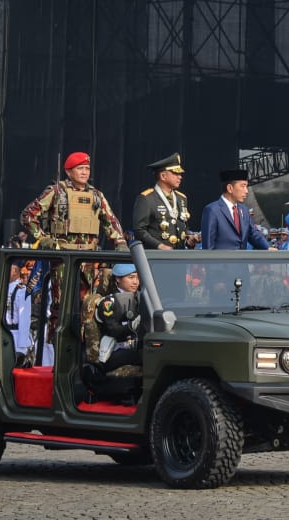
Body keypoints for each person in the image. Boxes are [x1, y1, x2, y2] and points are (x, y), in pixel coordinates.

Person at [20, 152, 127, 251]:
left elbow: (111, 221)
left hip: (89, 255)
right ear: (68, 171)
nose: (84, 172)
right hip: (62, 255)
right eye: (80, 168)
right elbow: (27, 215)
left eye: (87, 168)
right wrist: (43, 238)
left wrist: (120, 243)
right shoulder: (56, 192)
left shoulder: (97, 195)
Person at [83, 263, 144, 403]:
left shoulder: (140, 298)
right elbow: (113, 330)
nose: (135, 282)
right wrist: (132, 326)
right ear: (118, 279)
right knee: (148, 355)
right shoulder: (109, 302)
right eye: (131, 277)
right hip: (114, 352)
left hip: (134, 347)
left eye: (137, 278)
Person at [199, 168, 270, 251]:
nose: (246, 191)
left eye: (246, 186)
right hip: (221, 259)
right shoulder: (212, 210)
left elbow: (253, 234)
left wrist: (267, 247)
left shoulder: (244, 210)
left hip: (242, 259)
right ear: (230, 188)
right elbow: (208, 246)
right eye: (243, 186)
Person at [133, 153, 192, 250]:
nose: (180, 177)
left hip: (179, 255)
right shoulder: (147, 198)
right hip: (156, 256)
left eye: (180, 174)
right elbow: (139, 230)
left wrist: (189, 238)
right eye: (175, 173)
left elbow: (183, 227)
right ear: (163, 176)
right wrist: (159, 246)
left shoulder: (182, 198)